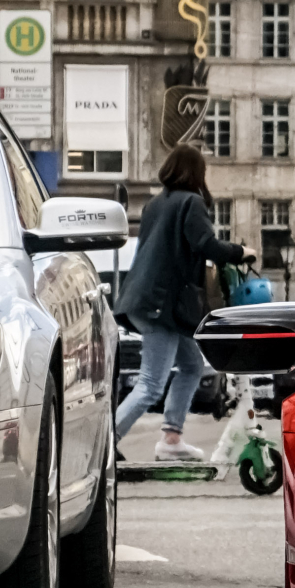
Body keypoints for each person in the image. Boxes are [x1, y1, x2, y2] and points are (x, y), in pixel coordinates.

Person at [113, 144, 250, 462]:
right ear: (196, 172)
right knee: (150, 384)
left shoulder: (155, 204)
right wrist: (241, 252)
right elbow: (205, 244)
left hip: (149, 301)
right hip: (163, 305)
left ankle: (171, 438)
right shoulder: (191, 202)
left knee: (191, 366)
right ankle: (107, 443)